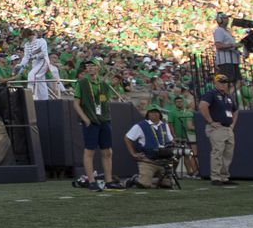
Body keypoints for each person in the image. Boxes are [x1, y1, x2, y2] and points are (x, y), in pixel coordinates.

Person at [72, 61, 121, 191]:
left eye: (93, 66)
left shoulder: (103, 84)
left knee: (107, 151)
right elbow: (76, 103)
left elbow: (104, 101)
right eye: (88, 66)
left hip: (104, 120)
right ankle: (91, 181)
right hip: (91, 121)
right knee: (89, 151)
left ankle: (109, 181)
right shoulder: (82, 83)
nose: (90, 68)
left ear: (98, 68)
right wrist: (85, 119)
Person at [199, 75, 239, 187]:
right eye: (221, 82)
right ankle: (215, 177)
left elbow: (235, 111)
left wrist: (232, 125)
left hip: (227, 128)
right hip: (217, 127)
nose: (223, 84)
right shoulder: (211, 94)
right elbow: (202, 106)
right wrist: (210, 121)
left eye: (225, 82)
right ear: (215, 83)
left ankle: (224, 176)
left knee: (228, 153)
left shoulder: (228, 96)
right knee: (218, 152)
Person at [124, 104, 176, 189]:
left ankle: (156, 180)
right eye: (151, 112)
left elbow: (170, 140)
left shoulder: (164, 125)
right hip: (148, 160)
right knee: (144, 185)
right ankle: (135, 179)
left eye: (156, 112)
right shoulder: (140, 125)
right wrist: (133, 153)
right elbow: (127, 138)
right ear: (147, 114)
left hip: (163, 160)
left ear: (160, 114)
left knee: (168, 185)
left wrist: (172, 146)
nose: (154, 114)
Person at [15, 28, 55, 100]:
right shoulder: (27, 45)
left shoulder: (41, 41)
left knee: (32, 75)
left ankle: (31, 96)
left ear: (31, 35)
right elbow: (26, 57)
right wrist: (21, 65)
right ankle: (44, 99)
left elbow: (44, 53)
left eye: (28, 37)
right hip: (35, 64)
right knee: (40, 81)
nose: (27, 39)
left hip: (43, 61)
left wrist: (34, 55)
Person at [213, 13, 242, 85]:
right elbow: (218, 45)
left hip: (232, 60)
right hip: (226, 61)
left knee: (238, 82)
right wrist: (233, 45)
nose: (227, 19)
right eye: (225, 18)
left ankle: (230, 95)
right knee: (229, 82)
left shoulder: (227, 31)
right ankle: (228, 95)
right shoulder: (219, 30)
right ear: (220, 20)